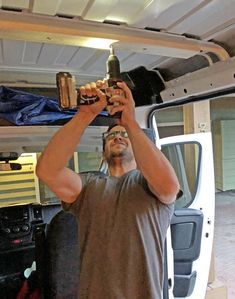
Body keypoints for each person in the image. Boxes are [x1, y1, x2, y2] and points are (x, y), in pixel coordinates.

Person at [36, 80, 180, 299]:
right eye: (111, 135)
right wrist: (85, 115)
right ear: (103, 150)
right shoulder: (89, 186)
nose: (118, 136)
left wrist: (130, 123)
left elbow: (170, 186)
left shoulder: (149, 184)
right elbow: (47, 171)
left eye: (124, 135)